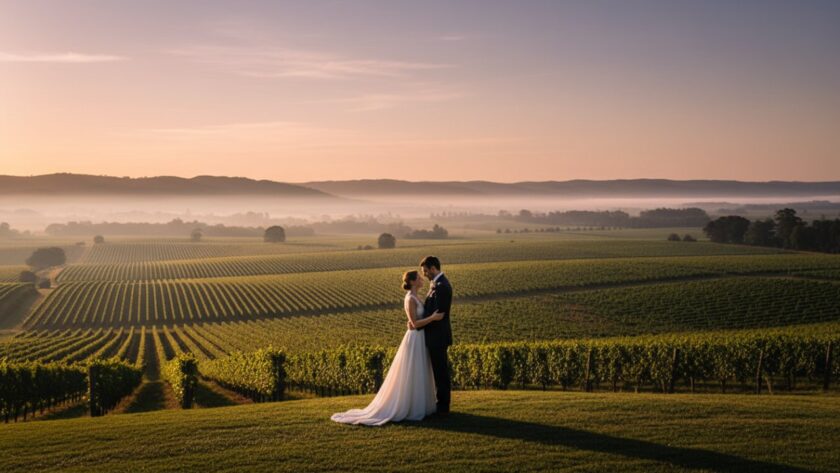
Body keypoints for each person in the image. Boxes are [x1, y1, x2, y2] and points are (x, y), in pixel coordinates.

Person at [330, 270, 444, 425]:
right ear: (411, 282)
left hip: (420, 339)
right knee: (413, 372)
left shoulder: (417, 296)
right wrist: (432, 318)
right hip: (415, 338)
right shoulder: (410, 298)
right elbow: (415, 324)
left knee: (419, 371)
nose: (421, 279)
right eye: (418, 278)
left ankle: (420, 406)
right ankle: (410, 407)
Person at [415, 255, 453, 415]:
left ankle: (443, 407)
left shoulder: (441, 286)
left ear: (433, 268)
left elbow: (438, 314)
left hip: (438, 336)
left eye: (425, 271)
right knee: (438, 372)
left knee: (441, 372)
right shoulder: (436, 284)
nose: (424, 274)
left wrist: (419, 323)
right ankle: (440, 404)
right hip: (434, 336)